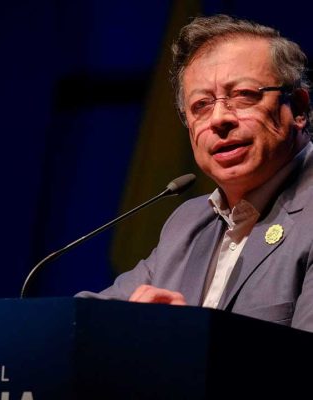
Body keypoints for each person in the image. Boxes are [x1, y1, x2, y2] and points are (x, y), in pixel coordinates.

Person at [77, 14, 313, 332]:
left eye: (244, 95)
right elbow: (86, 319)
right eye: (201, 105)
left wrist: (186, 340)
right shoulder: (188, 223)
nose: (218, 119)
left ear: (298, 108)